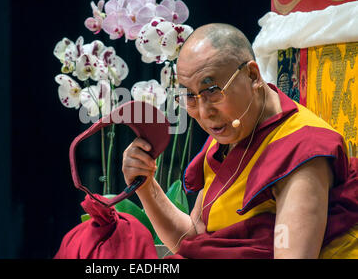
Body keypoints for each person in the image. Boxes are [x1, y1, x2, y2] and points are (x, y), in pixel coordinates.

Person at [122, 23, 358, 259]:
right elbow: (194, 240)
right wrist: (145, 184)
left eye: (212, 90)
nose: (204, 113)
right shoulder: (233, 131)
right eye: (190, 96)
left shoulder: (301, 151)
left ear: (253, 75)